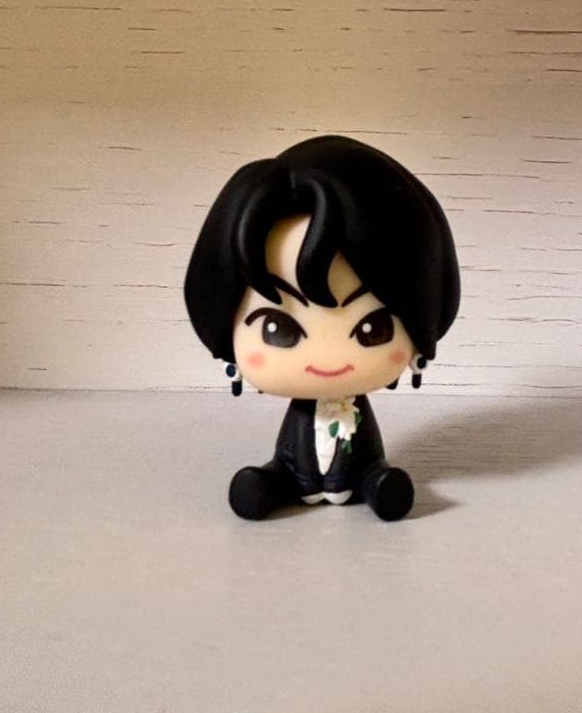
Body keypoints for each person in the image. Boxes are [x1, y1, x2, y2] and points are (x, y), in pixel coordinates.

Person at [184, 135, 460, 521]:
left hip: (359, 469)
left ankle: (377, 484)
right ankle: (271, 483)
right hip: (294, 469)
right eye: (278, 329)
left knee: (372, 471)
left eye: (371, 329)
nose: (327, 357)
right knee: (280, 471)